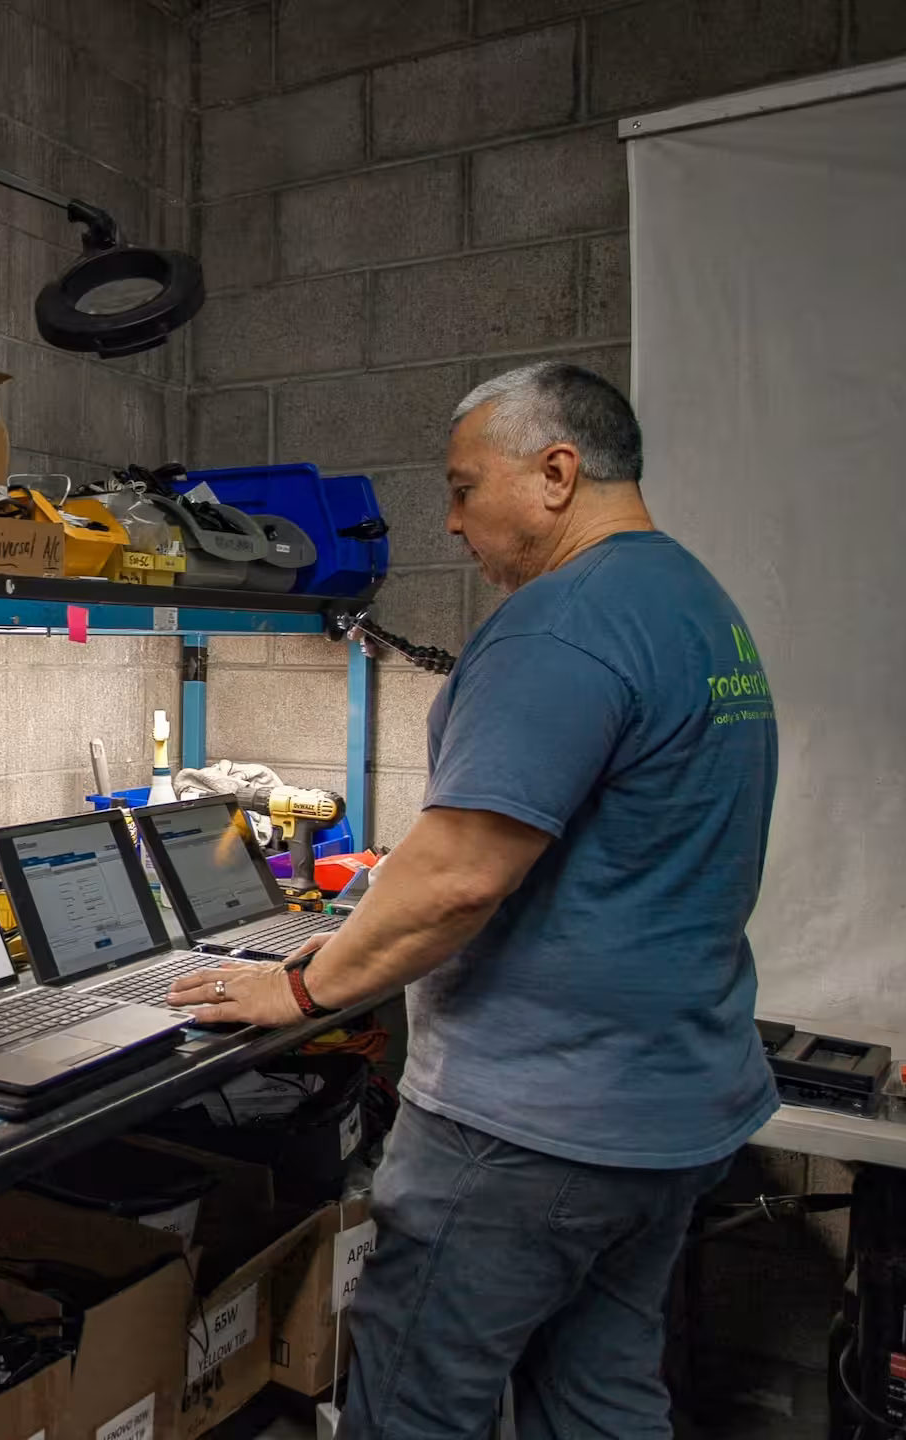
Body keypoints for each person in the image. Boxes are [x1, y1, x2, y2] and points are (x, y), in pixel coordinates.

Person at [168, 361, 779, 1438]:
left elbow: (457, 879)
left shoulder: (558, 627)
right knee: (598, 1398)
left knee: (413, 1406)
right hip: (671, 1107)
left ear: (555, 472)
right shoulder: (692, 602)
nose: (450, 523)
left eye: (461, 488)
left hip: (535, 1127)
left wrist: (300, 989)